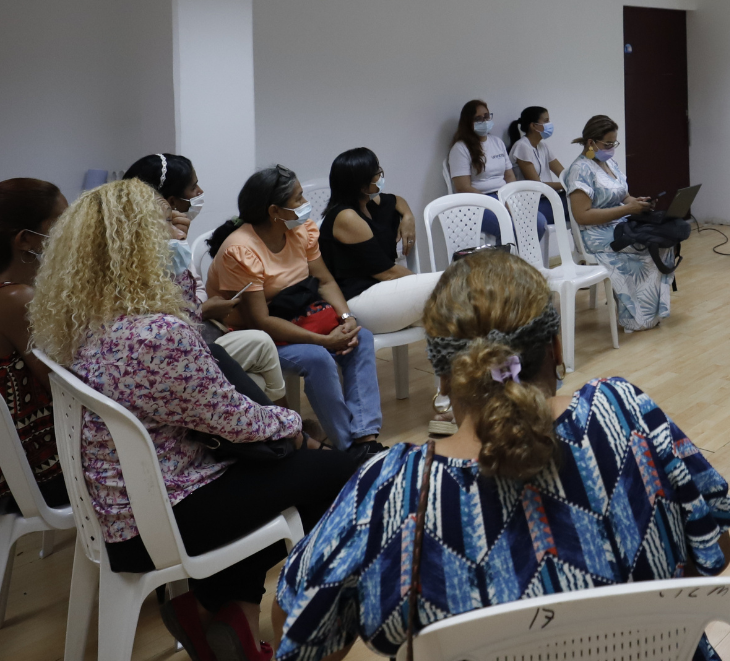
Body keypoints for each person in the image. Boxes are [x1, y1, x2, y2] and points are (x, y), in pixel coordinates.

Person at [274, 250, 730, 660]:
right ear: (555, 350)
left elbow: (294, 631)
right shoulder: (625, 411)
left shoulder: (391, 490)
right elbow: (714, 549)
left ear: (443, 380)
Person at [29, 179, 355, 661]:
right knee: (343, 474)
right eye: (166, 229)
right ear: (141, 248)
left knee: (279, 475)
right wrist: (298, 429)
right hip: (164, 518)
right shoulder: (154, 335)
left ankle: (228, 616)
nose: (179, 238)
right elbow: (239, 421)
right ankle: (306, 635)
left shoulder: (81, 323)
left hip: (123, 512)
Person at [205, 165, 386, 458]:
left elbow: (325, 281)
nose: (306, 205)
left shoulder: (301, 231)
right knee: (317, 359)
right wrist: (325, 341)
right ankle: (347, 448)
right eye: (298, 199)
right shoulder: (240, 250)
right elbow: (260, 320)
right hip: (258, 336)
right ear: (275, 210)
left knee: (361, 337)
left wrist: (346, 320)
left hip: (303, 317)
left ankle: (365, 437)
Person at [127, 152, 287, 402]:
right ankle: (290, 431)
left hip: (190, 335)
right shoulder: (141, 255)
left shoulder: (175, 241)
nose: (200, 191)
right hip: (170, 349)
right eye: (193, 187)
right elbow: (156, 321)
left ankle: (285, 429)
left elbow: (196, 288)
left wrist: (199, 306)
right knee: (260, 349)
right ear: (170, 201)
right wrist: (202, 310)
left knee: (256, 369)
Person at [0, 178, 70, 512]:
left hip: (32, 464)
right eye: (61, 224)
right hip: (42, 475)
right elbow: (67, 384)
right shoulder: (16, 299)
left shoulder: (0, 286)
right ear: (26, 240)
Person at [562, 115, 670, 331]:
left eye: (614, 143)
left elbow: (624, 196)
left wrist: (637, 203)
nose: (611, 148)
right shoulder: (580, 170)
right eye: (608, 144)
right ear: (591, 142)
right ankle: (635, 316)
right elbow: (582, 215)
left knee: (664, 239)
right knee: (647, 245)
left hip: (619, 224)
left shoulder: (609, 162)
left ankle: (650, 310)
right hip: (596, 234)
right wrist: (627, 209)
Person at [318, 147, 441, 334]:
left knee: (461, 317)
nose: (380, 177)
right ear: (361, 185)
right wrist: (420, 283)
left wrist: (408, 216)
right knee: (452, 281)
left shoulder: (370, 203)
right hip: (357, 302)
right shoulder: (346, 217)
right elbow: (387, 273)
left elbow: (396, 200)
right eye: (377, 173)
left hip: (385, 293)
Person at [447, 99, 516, 240]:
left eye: (486, 116)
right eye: (478, 119)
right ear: (468, 122)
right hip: (477, 202)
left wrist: (510, 198)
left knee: (537, 221)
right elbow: (462, 187)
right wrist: (495, 203)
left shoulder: (497, 142)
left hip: (503, 196)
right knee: (510, 226)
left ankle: (521, 259)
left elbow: (509, 176)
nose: (484, 121)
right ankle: (507, 261)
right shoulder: (460, 148)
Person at [508, 105, 565, 247]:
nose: (549, 125)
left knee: (581, 199)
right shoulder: (522, 147)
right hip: (531, 204)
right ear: (534, 126)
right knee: (578, 206)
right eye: (546, 121)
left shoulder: (543, 146)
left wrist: (575, 180)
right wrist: (566, 185)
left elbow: (563, 173)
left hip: (547, 200)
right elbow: (537, 185)